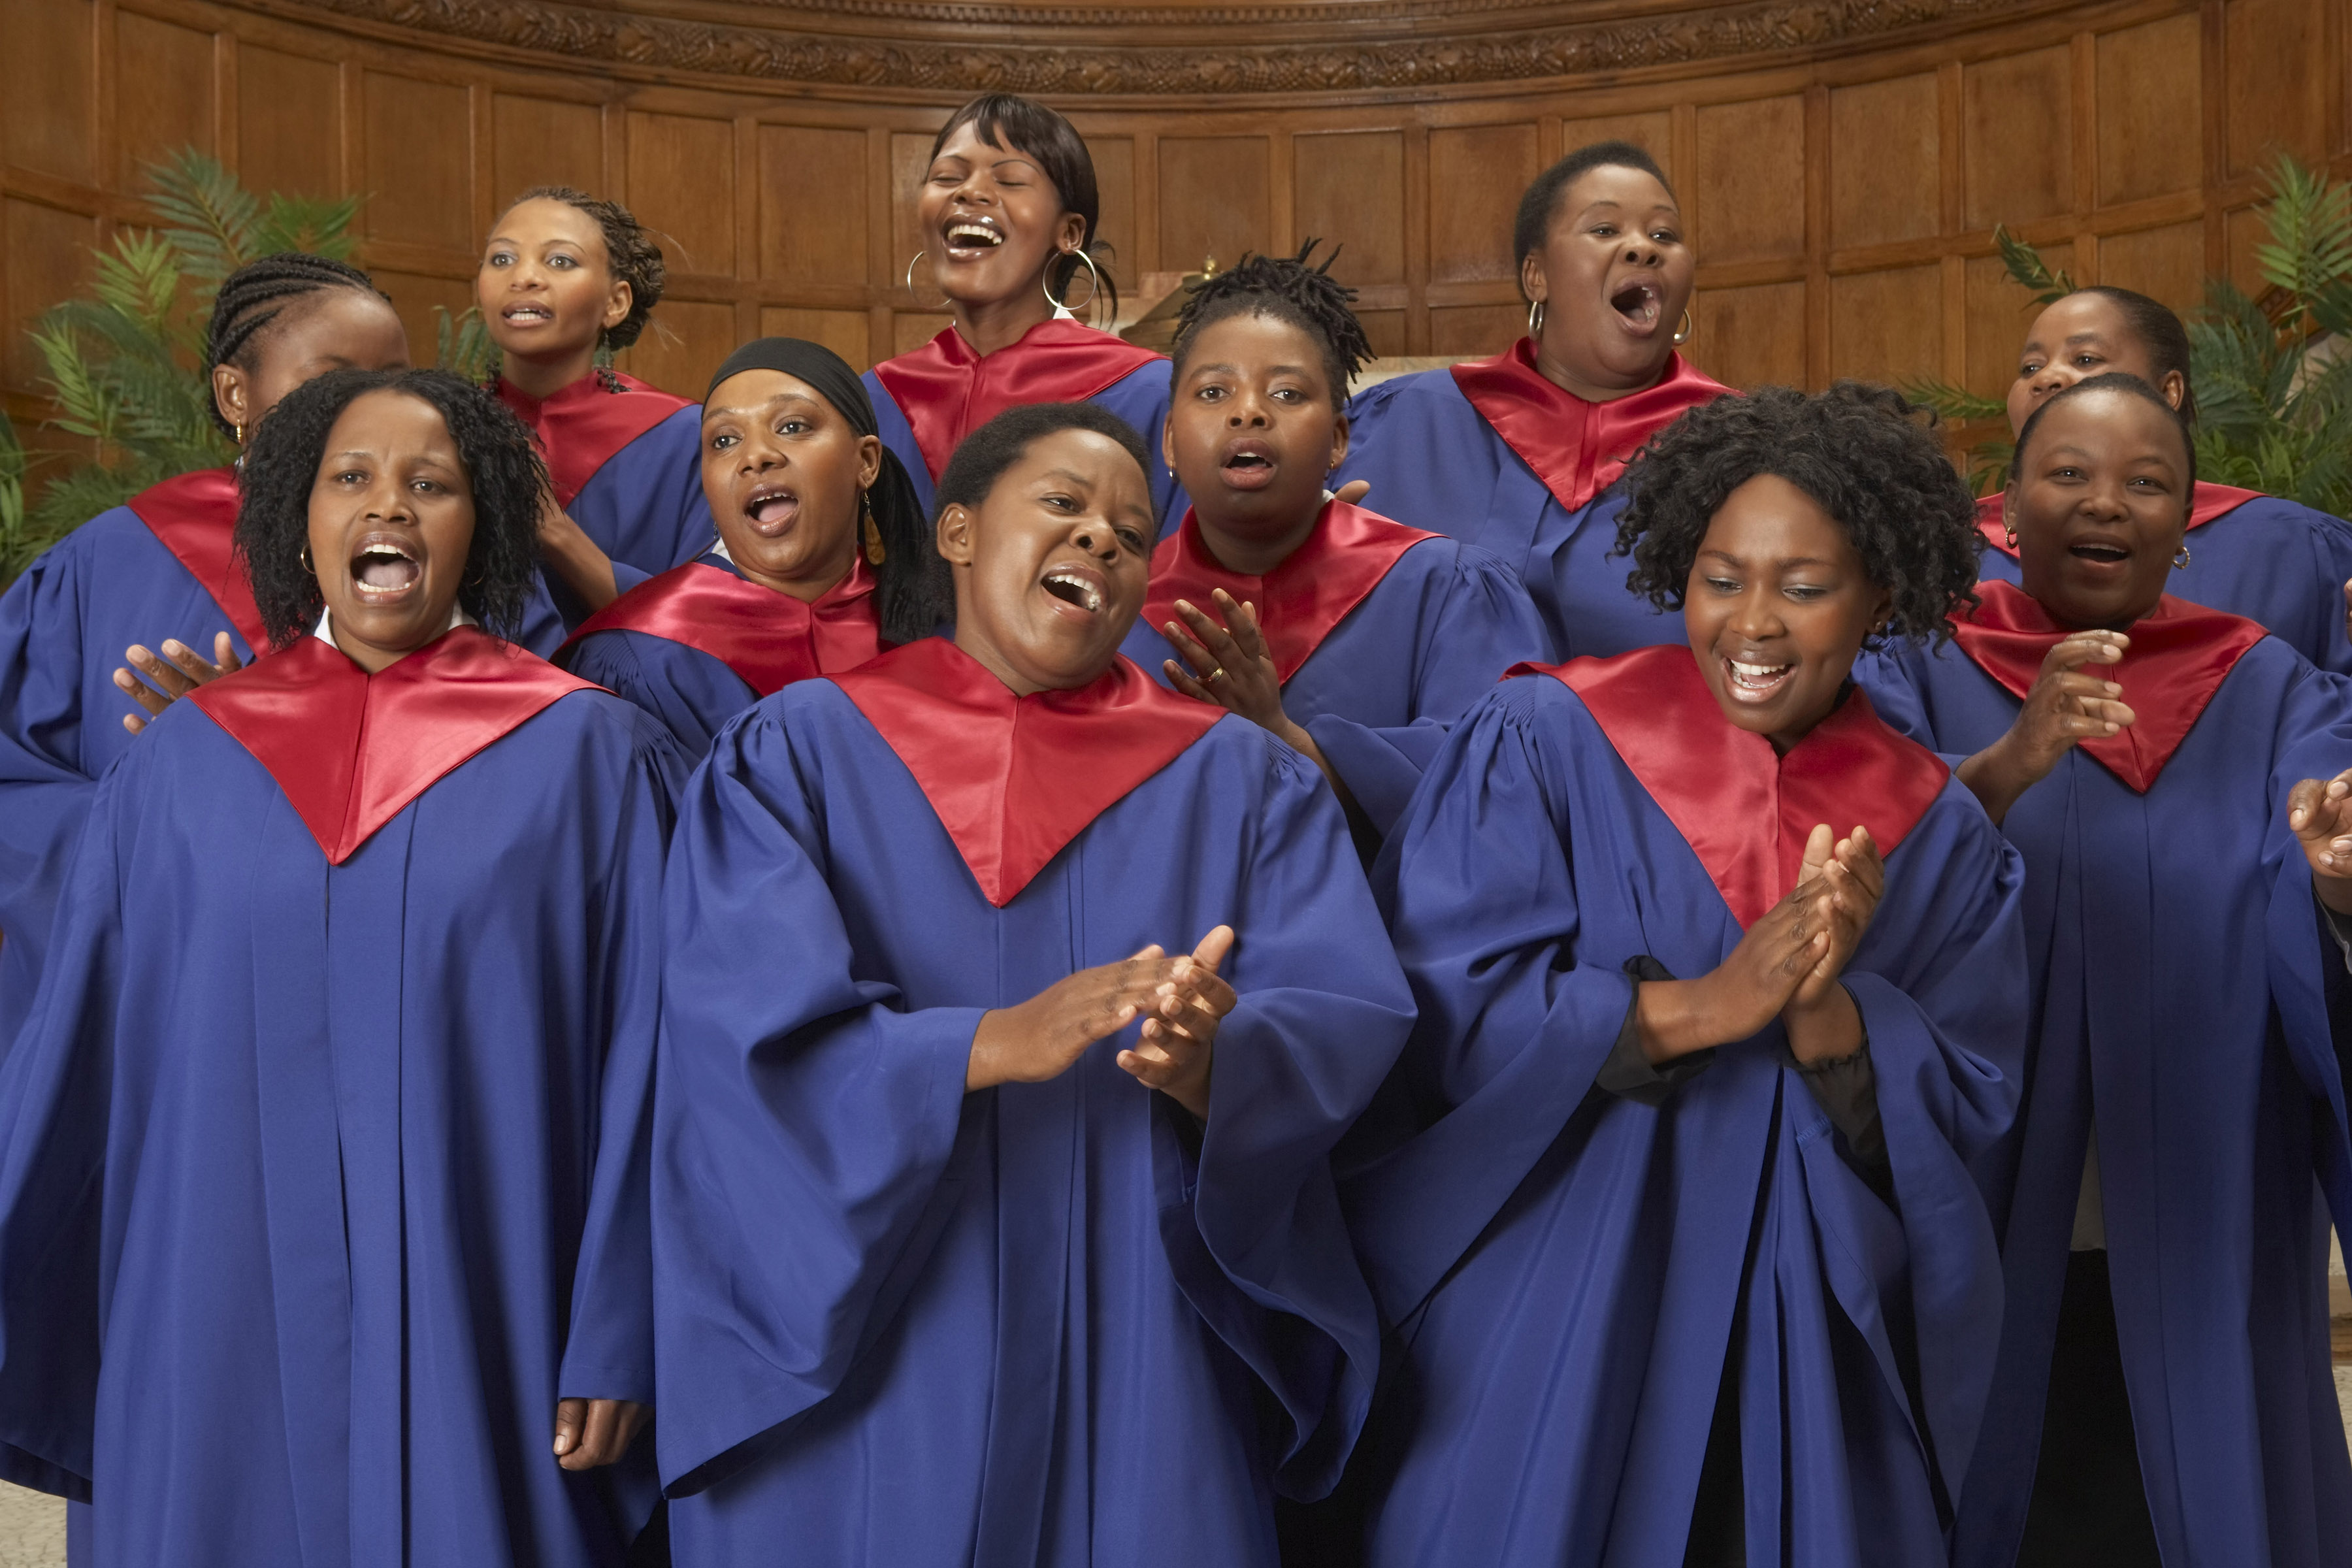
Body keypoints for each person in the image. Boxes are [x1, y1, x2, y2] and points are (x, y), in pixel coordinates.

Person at [645, 402, 1414, 1566]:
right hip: (880, 1333)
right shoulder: (795, 753)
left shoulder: (1242, 782)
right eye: (1064, 505)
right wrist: (989, 1042)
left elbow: (1342, 1017)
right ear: (956, 533)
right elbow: (734, 1033)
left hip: (1143, 1322)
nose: (1102, 540)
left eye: (1127, 528)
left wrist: (1219, 1062)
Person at [0, 367, 674, 1567]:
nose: (391, 508)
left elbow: (659, 1063)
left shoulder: (591, 757)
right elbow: (81, 1073)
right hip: (209, 1315)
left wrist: (620, 1326)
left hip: (495, 1311)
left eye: (434, 484)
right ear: (295, 522)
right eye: (350, 479)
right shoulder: (181, 769)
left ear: (488, 528)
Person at [1343, 385, 2024, 1567]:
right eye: (1721, 577)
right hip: (1565, 1292)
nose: (1752, 624)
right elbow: (1446, 1007)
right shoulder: (1549, 740)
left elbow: (1971, 1106)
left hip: (1810, 1328)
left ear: (1882, 602)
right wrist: (1702, 1009)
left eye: (1804, 588)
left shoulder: (1938, 829)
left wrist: (1832, 1016)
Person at [1857, 372, 2352, 1568]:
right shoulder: (1914, 666)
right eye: (2068, 474)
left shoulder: (2269, 685)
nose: (2107, 505)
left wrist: (2336, 883)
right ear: (2008, 507)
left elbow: (2313, 874)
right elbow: (1853, 865)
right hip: (1973, 1183)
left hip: (2199, 1181)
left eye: (2148, 484)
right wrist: (2005, 764)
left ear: (2190, 529)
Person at [0, 252, 409, 1056]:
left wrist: (279, 730)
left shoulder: (438, 554)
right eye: (332, 376)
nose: (370, 406)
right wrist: (176, 792)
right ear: (235, 394)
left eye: (394, 381)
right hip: (165, 989)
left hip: (374, 984)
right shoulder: (111, 560)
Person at [1119, 246, 1549, 840]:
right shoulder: (1118, 612)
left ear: (1340, 442)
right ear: (1169, 441)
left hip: (1386, 927)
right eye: (1214, 393)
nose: (1249, 412)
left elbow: (1496, 796)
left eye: (1288, 394)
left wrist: (1286, 742)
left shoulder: (1445, 590)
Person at [1335, 140, 1729, 658]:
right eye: (1605, 229)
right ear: (1536, 276)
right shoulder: (1404, 422)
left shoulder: (1743, 451)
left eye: (1664, 235)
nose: (1644, 248)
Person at [557, 338, 950, 757]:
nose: (755, 456)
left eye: (792, 427)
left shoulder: (930, 624)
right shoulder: (643, 656)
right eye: (724, 441)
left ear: (866, 462)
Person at [1980, 284, 2352, 672]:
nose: (2046, 379)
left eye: (2086, 358)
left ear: (2168, 390)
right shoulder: (1945, 546)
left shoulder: (2293, 548)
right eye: (2031, 368)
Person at [864, 93, 1186, 525]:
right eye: (946, 177)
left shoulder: (1150, 397)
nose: (970, 191)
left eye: (1010, 181)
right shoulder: (874, 403)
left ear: (1069, 232)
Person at [481, 185, 717, 635]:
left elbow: (702, 631)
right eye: (502, 259)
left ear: (616, 302)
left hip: (621, 697)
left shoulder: (684, 437)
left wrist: (557, 534)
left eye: (560, 261)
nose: (523, 277)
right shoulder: (437, 427)